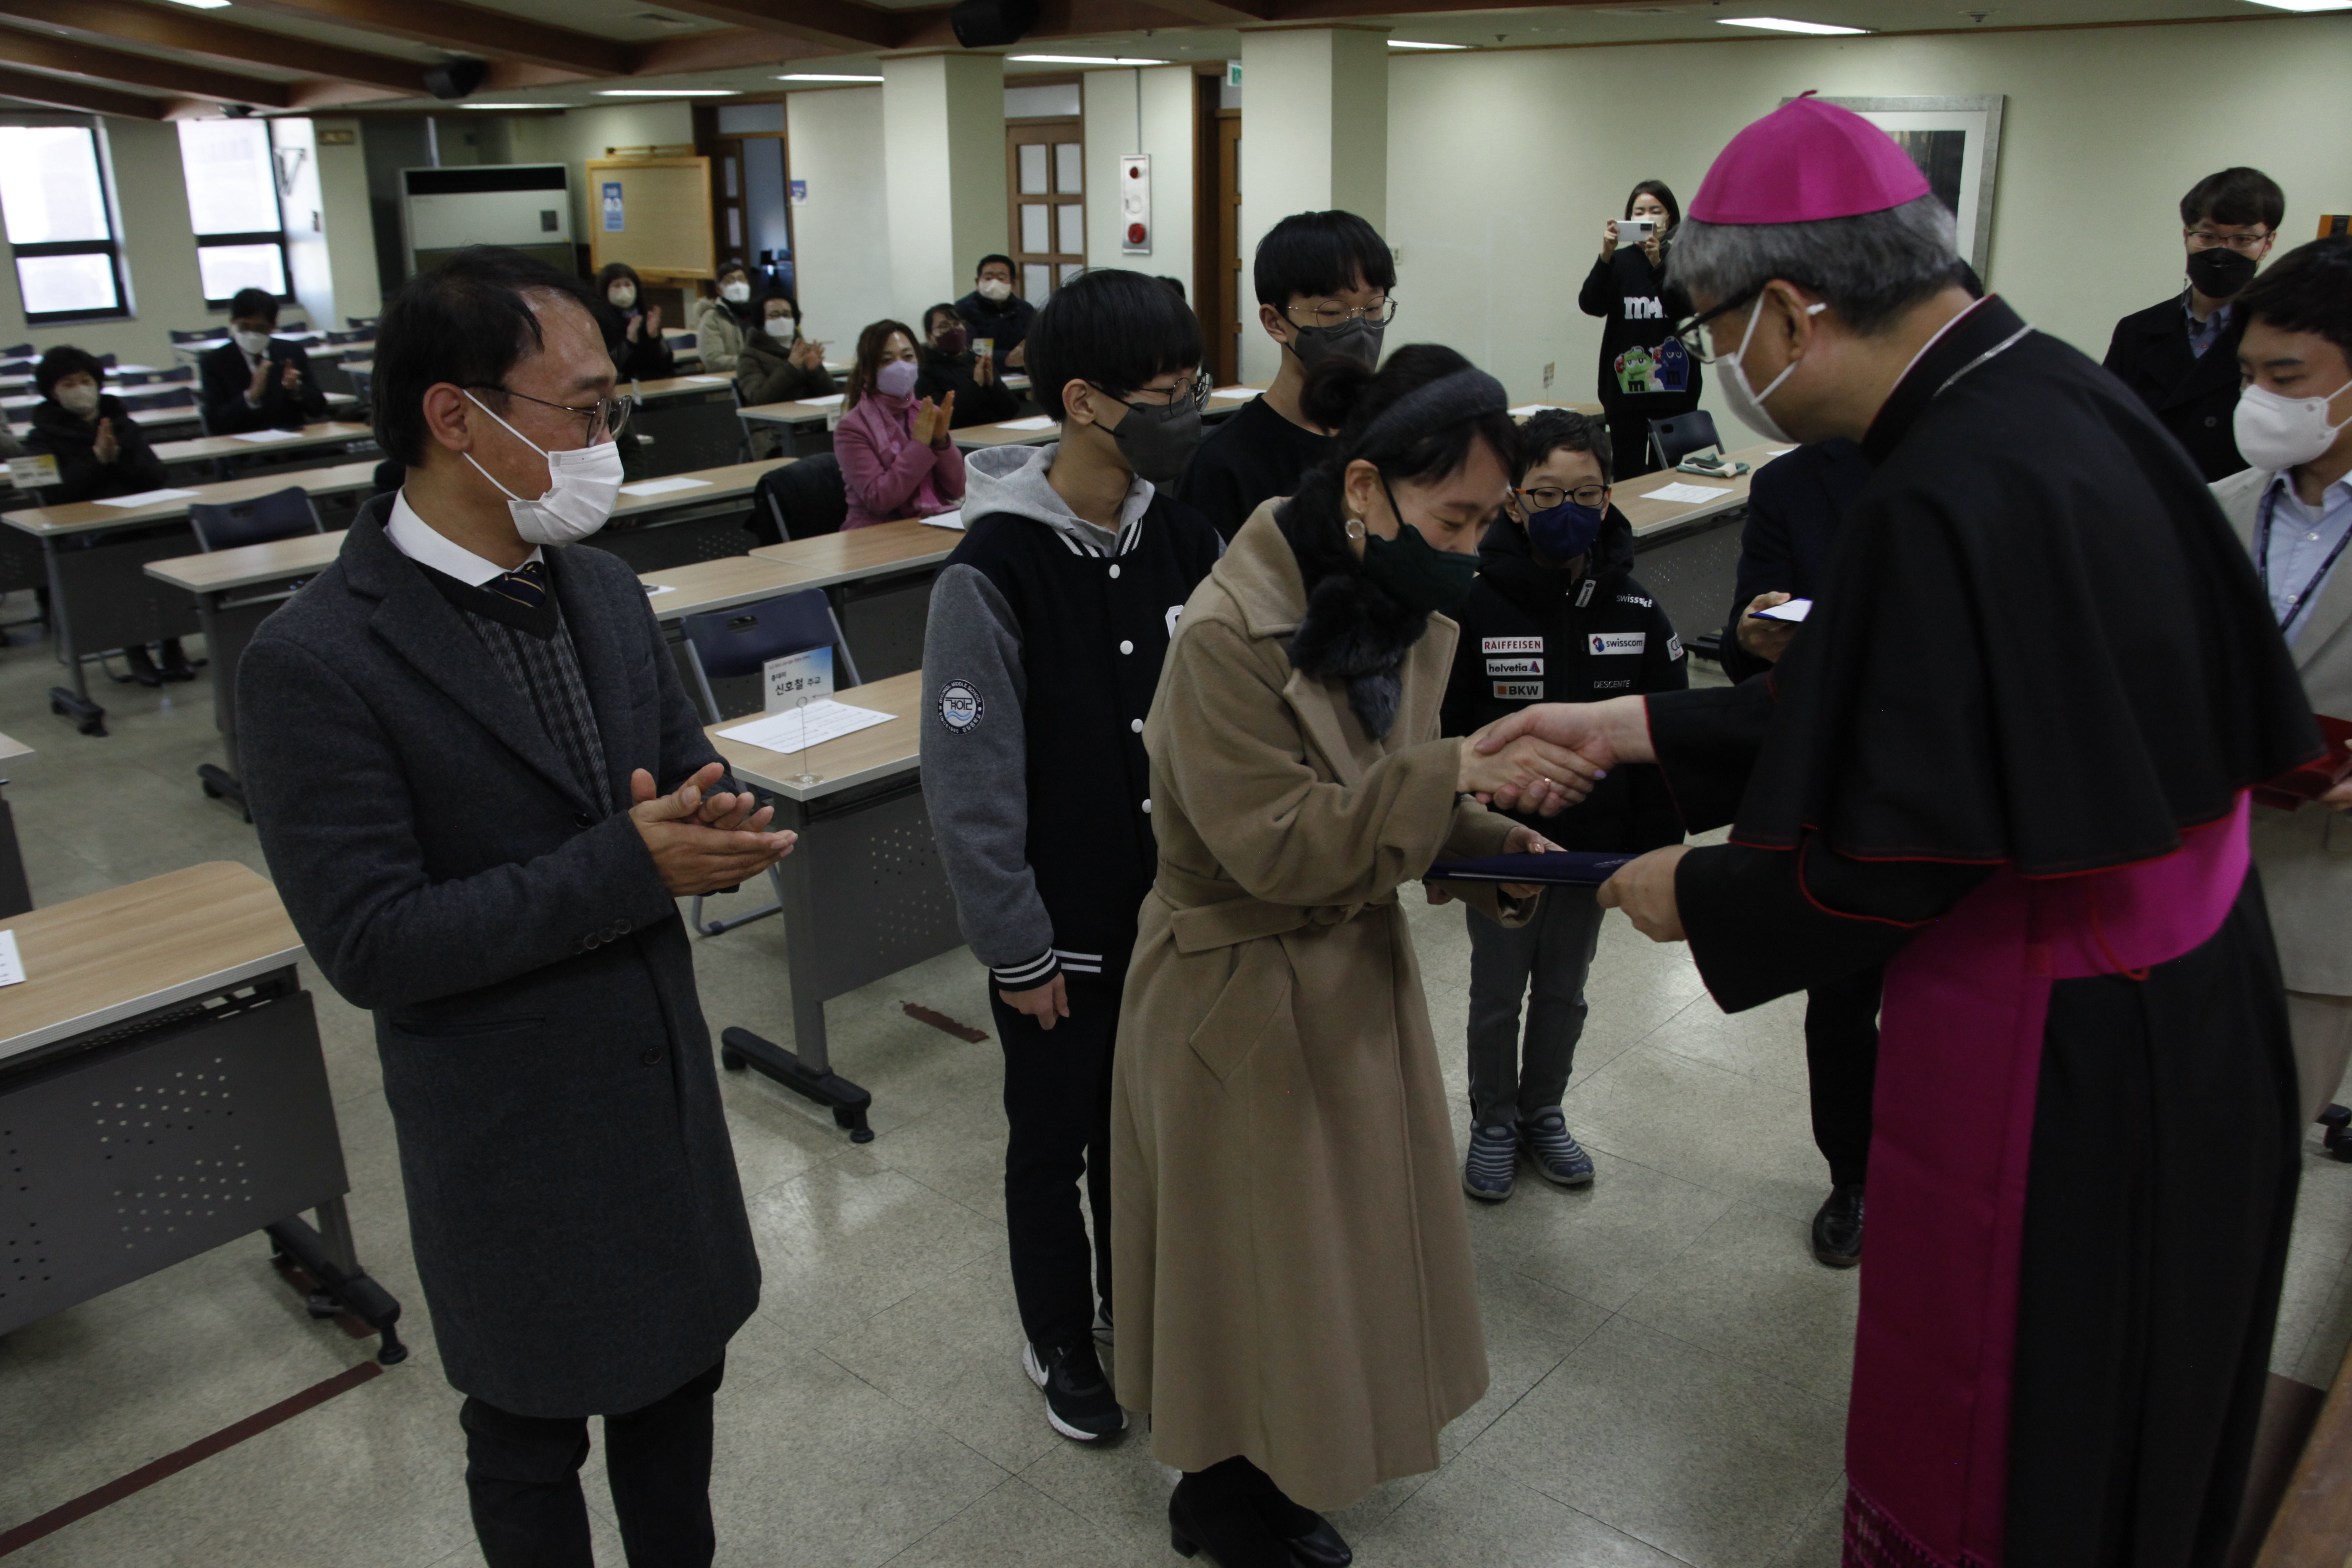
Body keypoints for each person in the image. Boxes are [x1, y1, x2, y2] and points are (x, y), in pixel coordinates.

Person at [1476, 97, 2317, 1568]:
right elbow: (1940, 722)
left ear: (1788, 311)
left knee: (2015, 1404)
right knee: (2139, 1380)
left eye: (1712, 322)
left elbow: (1901, 843)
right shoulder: (2049, 392)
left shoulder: (1944, 482)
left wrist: (1710, 888)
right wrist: (1640, 725)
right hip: (2177, 985)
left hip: (2059, 1032)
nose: (1709, 359)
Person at [235, 245, 792, 1568]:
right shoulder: (317, 658)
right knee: (531, 1431)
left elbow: (680, 769)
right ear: (454, 416)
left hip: (654, 1090)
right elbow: (373, 942)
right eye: (584, 411)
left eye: (613, 412)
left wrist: (717, 827)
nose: (607, 441)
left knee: (678, 1392)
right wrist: (632, 864)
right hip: (505, 1127)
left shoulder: (597, 586)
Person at [1112, 345, 1595, 1567]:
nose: (1477, 548)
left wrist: (1493, 845)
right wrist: (1455, 782)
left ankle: (1294, 1455)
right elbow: (1280, 846)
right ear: (1367, 487)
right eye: (1459, 517)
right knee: (1251, 1267)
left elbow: (1389, 795)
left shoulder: (1400, 597)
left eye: (1493, 519)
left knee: (1330, 1256)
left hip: (1344, 969)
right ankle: (1224, 1495)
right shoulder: (1230, 631)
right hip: (1237, 988)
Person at [920, 268, 1222, 1448]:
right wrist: (1015, 945)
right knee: (1053, 1141)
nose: (1191, 406)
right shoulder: (992, 570)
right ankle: (1057, 1333)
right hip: (1062, 929)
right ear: (1087, 402)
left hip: (1176, 918)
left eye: (1194, 380)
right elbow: (971, 787)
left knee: (1143, 1134)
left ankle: (1125, 1304)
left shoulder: (1185, 534)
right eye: (1169, 389)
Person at [1440, 409, 1687, 1202]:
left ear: (1610, 495)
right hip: (1501, 843)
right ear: (1512, 501)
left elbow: (1666, 735)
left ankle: (1544, 1109)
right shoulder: (1475, 607)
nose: (1568, 510)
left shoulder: (1637, 609)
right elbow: (1444, 735)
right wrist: (1451, 838)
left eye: (1586, 492)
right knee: (1496, 987)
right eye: (1546, 493)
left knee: (1564, 988)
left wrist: (1655, 845)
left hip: (1595, 845)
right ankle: (1493, 1118)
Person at [1715, 436, 1880, 1267]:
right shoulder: (1792, 480)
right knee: (1843, 995)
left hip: (1959, 775)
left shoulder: (1985, 446)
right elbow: (1750, 619)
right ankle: (1852, 1176)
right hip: (1838, 774)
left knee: (1942, 994)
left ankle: (1942, 1169)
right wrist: (1751, 627)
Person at [2213, 237, 2352, 1134]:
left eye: (2289, 377)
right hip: (2180, 882)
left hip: (2322, 904)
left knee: (2254, 1156)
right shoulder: (2217, 507)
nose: (2262, 399)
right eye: (2249, 374)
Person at [1178, 209, 1392, 541]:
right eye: (1333, 312)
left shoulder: (1393, 437)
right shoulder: (1225, 464)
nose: (1360, 329)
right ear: (1275, 323)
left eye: (1374, 308)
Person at [2104, 168, 2283, 482]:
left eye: (2243, 239)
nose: (2222, 251)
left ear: (2267, 244)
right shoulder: (2136, 331)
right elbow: (2104, 430)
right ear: (2186, 236)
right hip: (2147, 508)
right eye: (2208, 236)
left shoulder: (2284, 338)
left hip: (2235, 514)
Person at [27, 346, 193, 685]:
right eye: (68, 383)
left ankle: (172, 641)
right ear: (52, 391)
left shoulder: (122, 423)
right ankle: (135, 647)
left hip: (141, 519)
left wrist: (118, 455)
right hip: (84, 531)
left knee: (170, 541)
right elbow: (52, 496)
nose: (80, 389)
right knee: (121, 556)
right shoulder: (40, 438)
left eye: (86, 380)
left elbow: (155, 476)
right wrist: (96, 460)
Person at [1578, 181, 1702, 478]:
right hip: (1626, 391)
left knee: (1668, 477)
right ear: (1628, 220)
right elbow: (1591, 305)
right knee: (1628, 476)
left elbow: (1685, 309)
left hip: (1675, 391)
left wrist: (1659, 263)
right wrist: (1606, 255)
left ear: (1669, 218)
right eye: (1639, 211)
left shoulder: (1683, 260)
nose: (1647, 217)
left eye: (1655, 211)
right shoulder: (1618, 263)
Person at [835, 319, 965, 530]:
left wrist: (941, 443)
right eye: (887, 360)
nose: (901, 367)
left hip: (931, 523)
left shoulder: (927, 412)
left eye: (907, 357)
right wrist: (921, 446)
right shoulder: (852, 427)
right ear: (867, 372)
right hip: (875, 532)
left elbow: (958, 490)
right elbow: (879, 501)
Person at [197, 286, 328, 435]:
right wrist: (251, 397)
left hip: (293, 442)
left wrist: (297, 389)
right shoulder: (215, 362)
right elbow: (216, 423)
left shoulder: (291, 352)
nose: (252, 335)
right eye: (244, 327)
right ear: (233, 323)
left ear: (273, 326)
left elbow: (319, 409)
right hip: (243, 446)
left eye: (260, 328)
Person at [913, 303, 1018, 428]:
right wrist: (976, 385)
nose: (953, 331)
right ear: (929, 337)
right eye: (944, 326)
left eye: (957, 324)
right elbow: (942, 418)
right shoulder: (923, 370)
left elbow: (1011, 410)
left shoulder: (976, 361)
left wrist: (993, 385)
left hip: (992, 435)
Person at [735, 292, 834, 407]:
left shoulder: (804, 350)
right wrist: (790, 368)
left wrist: (814, 372)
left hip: (810, 417)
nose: (782, 320)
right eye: (774, 315)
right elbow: (759, 399)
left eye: (787, 315)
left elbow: (830, 393)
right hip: (775, 422)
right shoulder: (750, 355)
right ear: (762, 322)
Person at [593, 262, 675, 383]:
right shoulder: (600, 322)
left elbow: (666, 364)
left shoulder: (646, 318)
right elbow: (608, 367)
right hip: (622, 389)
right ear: (606, 291)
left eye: (628, 284)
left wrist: (655, 337)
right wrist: (630, 343)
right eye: (617, 286)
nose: (624, 290)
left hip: (653, 385)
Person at [956, 254, 1038, 372]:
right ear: (978, 282)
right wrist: (1005, 359)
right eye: (988, 278)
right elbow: (965, 352)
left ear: (1013, 284)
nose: (994, 283)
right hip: (978, 376)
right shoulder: (962, 309)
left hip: (1020, 377)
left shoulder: (1025, 310)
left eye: (1001, 278)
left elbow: (1033, 347)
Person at [690, 258, 763, 374]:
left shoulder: (759, 314)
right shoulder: (712, 318)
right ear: (719, 290)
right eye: (731, 281)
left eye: (741, 279)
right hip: (729, 383)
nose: (738, 285)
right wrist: (753, 363)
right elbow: (713, 360)